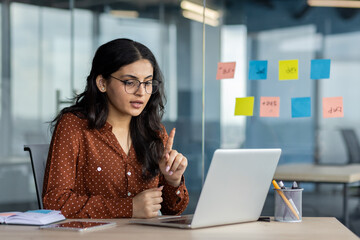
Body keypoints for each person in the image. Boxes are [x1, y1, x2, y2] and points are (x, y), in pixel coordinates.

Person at [42, 38, 189, 219]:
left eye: (148, 83)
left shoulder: (155, 131)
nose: (141, 92)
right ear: (102, 83)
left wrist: (172, 180)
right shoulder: (74, 126)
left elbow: (172, 210)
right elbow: (55, 202)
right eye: (130, 82)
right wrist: (128, 208)